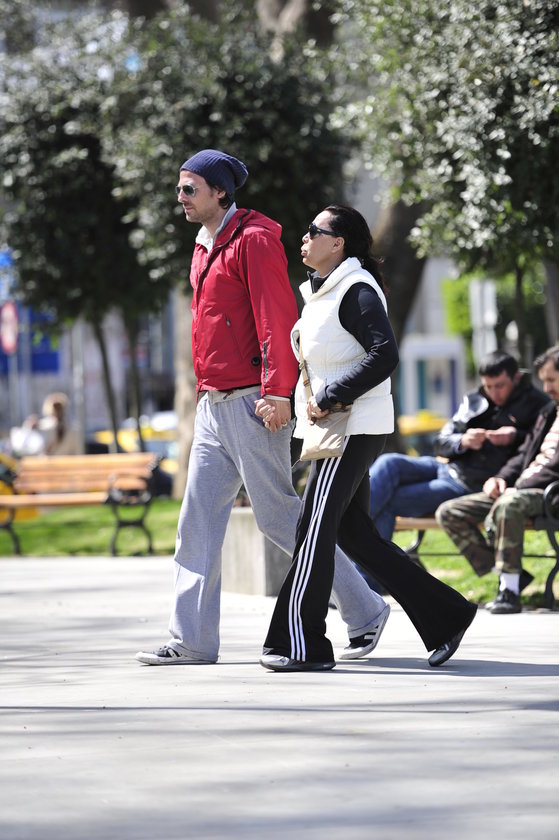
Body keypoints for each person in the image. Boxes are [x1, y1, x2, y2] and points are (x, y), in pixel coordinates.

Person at [136, 151, 390, 666]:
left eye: (190, 188)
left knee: (279, 518)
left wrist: (277, 392)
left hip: (254, 401)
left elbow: (275, 316)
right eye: (180, 188)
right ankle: (192, 640)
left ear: (220, 192)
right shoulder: (203, 245)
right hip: (213, 403)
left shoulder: (253, 240)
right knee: (196, 522)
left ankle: (364, 609)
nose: (181, 197)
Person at [260, 204, 477, 673]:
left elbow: (385, 354)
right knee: (354, 533)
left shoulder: (356, 290)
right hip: (336, 429)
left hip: (352, 428)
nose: (304, 237)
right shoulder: (322, 292)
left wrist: (332, 395)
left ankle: (301, 644)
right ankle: (447, 615)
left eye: (314, 230)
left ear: (338, 243)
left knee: (312, 529)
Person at [368, 350, 551, 541]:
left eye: (500, 385)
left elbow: (543, 451)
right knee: (389, 462)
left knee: (390, 500)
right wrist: (463, 441)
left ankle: (360, 548)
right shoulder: (474, 399)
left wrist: (515, 437)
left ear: (516, 378)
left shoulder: (538, 404)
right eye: (488, 386)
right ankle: (351, 524)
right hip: (447, 467)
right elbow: (440, 443)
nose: (494, 393)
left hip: (472, 484)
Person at [436, 346, 559, 614]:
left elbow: (554, 468)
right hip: (522, 488)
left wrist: (518, 487)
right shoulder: (551, 411)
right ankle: (510, 575)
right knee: (449, 512)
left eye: (551, 379)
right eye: (544, 380)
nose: (547, 387)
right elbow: (525, 453)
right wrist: (500, 478)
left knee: (509, 504)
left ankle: (509, 592)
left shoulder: (540, 405)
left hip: (549, 493)